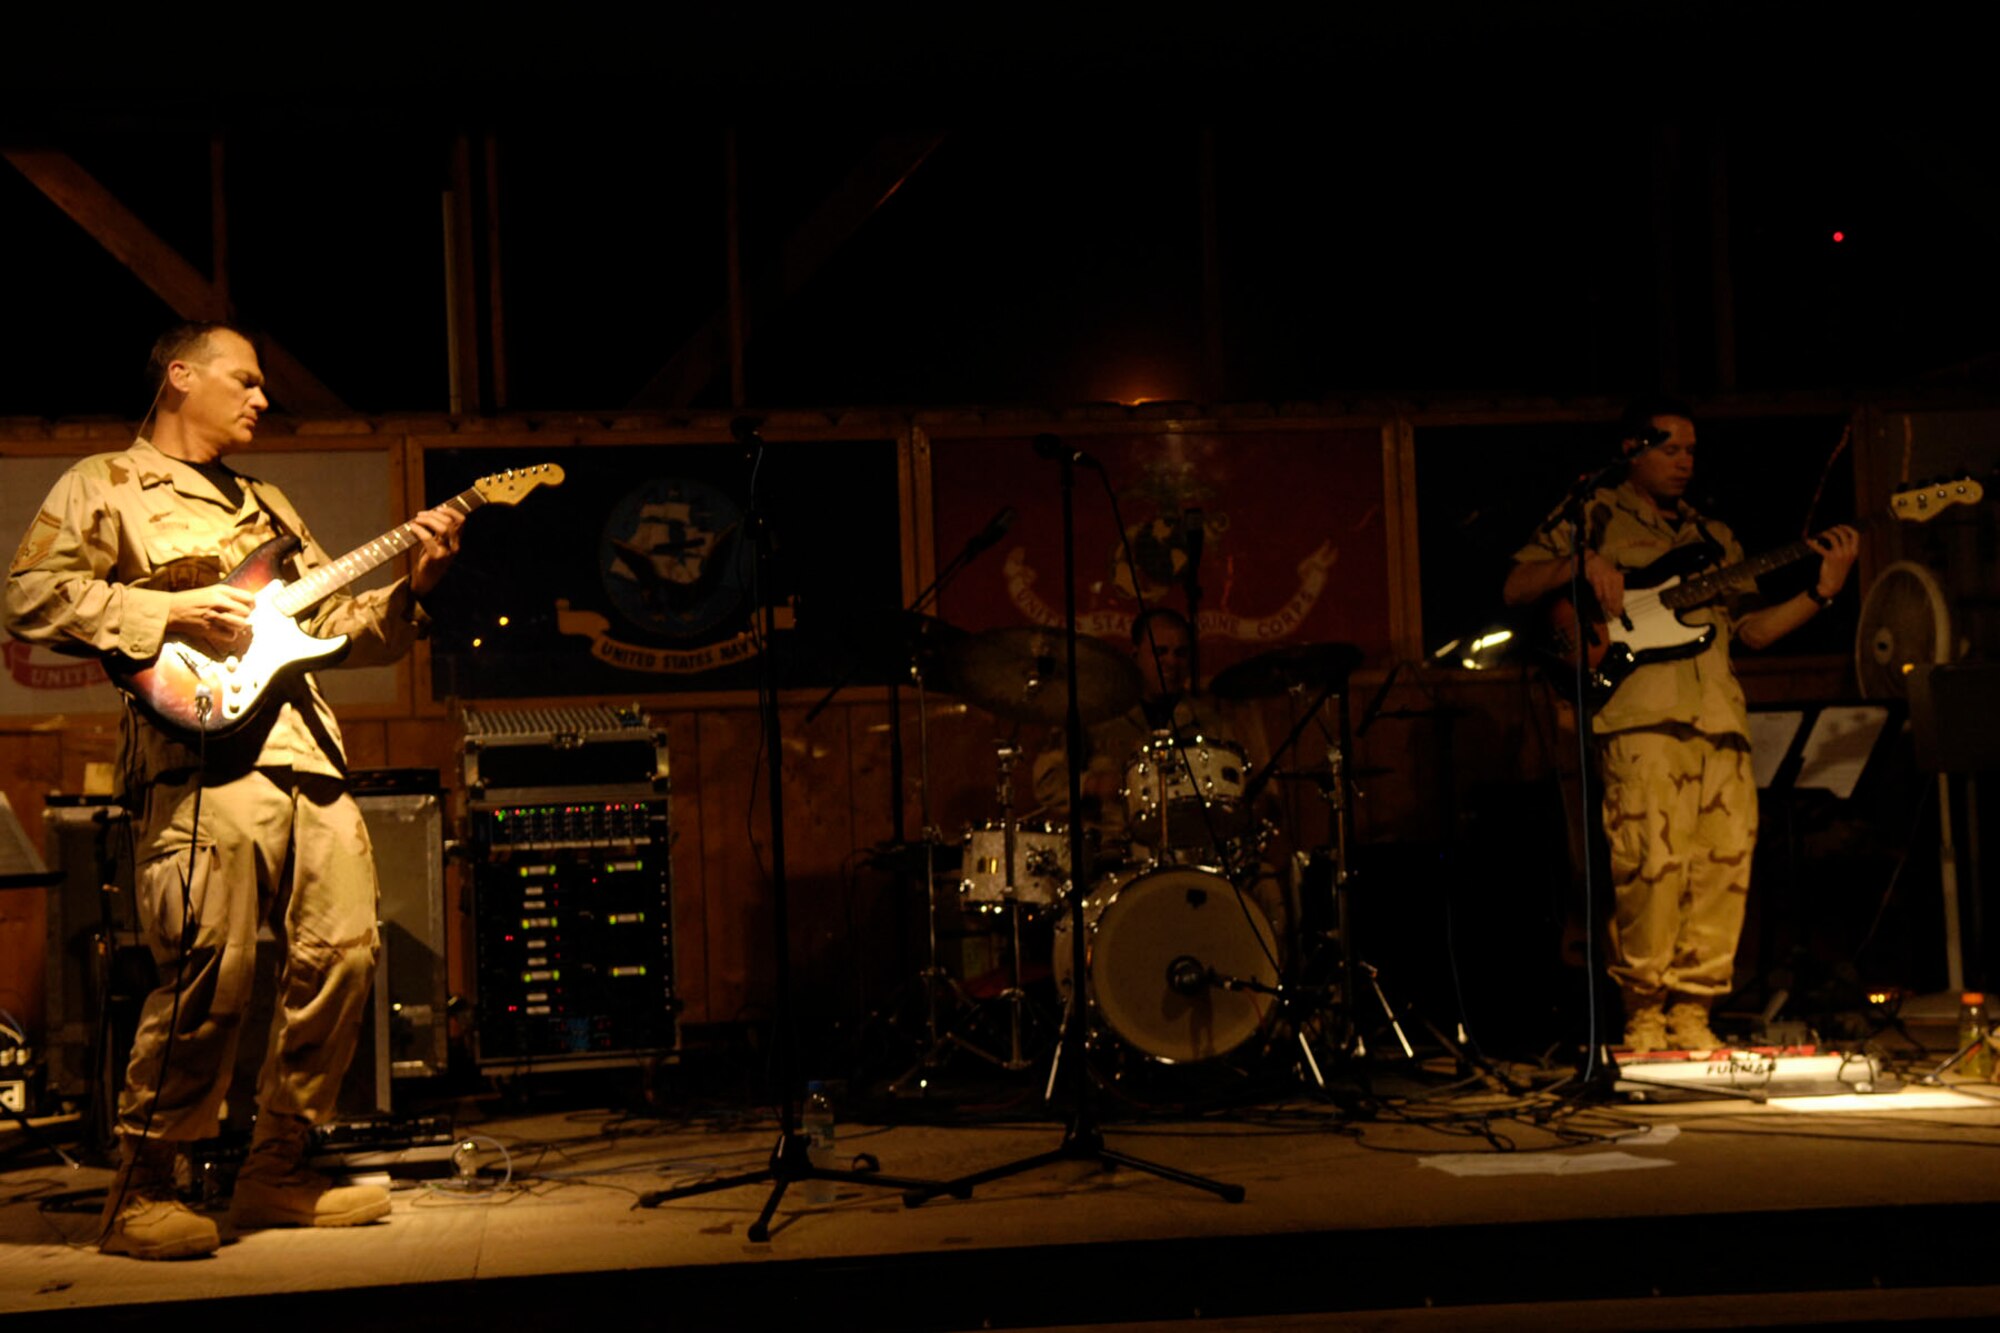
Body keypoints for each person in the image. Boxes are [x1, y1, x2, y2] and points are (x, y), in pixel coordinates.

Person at [5, 322, 465, 1259]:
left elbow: (335, 625)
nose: (262, 397)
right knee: (213, 974)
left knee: (345, 957)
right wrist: (168, 607)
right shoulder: (106, 483)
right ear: (181, 376)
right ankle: (142, 1188)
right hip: (199, 765)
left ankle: (277, 1169)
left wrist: (412, 590)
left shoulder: (269, 502)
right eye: (245, 380)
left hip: (309, 758)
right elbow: (28, 597)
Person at [1502, 400, 1859, 1053]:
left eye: (1692, 450)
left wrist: (1822, 591)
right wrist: (1577, 565)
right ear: (1633, 449)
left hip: (1719, 719)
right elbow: (1516, 586)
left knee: (1723, 868)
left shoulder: (1715, 536)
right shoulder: (1594, 513)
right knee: (1650, 866)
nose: (1685, 461)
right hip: (1641, 717)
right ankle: (1643, 1015)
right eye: (1670, 448)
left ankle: (1694, 1013)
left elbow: (1753, 631)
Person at [1032, 608, 1290, 940]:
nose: (1172, 662)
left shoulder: (1212, 722)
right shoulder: (1097, 716)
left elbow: (1256, 791)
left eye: (1181, 653)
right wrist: (1094, 785)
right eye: (1161, 651)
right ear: (1136, 655)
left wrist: (1253, 808)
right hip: (1114, 860)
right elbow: (1047, 782)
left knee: (1267, 890)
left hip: (1200, 859)